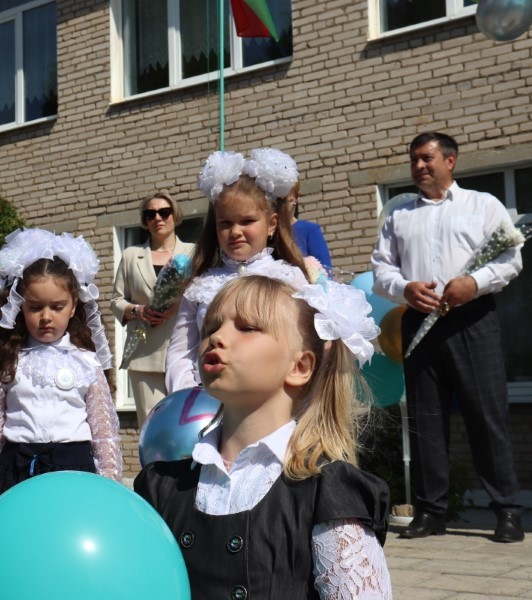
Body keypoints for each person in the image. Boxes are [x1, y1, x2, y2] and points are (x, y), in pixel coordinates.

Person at [136, 275, 392, 599]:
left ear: (299, 367)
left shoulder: (329, 493)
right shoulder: (162, 486)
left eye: (247, 327)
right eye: (211, 327)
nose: (217, 337)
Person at [372, 131, 525, 543]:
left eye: (427, 158)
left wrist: (474, 283)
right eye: (414, 160)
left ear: (450, 161)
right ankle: (430, 512)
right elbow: (381, 268)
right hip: (419, 323)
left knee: (486, 416)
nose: (419, 166)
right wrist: (404, 288)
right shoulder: (399, 215)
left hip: (472, 320)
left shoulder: (483, 205)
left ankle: (508, 511)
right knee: (426, 418)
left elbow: (511, 258)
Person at [0, 228, 122, 503]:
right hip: (16, 471)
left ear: (73, 306)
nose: (46, 317)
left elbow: (104, 431)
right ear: (19, 306)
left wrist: (110, 482)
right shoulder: (9, 361)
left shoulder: (86, 362)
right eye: (35, 307)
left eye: (57, 306)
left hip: (74, 472)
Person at [165, 147, 309, 393]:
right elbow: (181, 352)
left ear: (272, 224)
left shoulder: (290, 278)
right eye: (226, 223)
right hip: (211, 400)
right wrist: (190, 397)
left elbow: (304, 344)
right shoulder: (201, 286)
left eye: (247, 221)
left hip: (272, 400)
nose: (235, 232)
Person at [111, 191, 195, 426]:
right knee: (152, 424)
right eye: (150, 214)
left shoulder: (194, 252)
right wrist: (138, 310)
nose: (157, 218)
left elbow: (204, 295)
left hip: (186, 350)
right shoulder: (131, 256)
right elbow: (116, 300)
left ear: (175, 215)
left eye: (164, 212)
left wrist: (177, 306)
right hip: (144, 354)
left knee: (186, 422)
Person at [287, 180, 333, 271]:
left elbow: (324, 271)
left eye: (288, 201)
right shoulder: (267, 232)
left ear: (297, 196)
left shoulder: (310, 230)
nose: (281, 206)